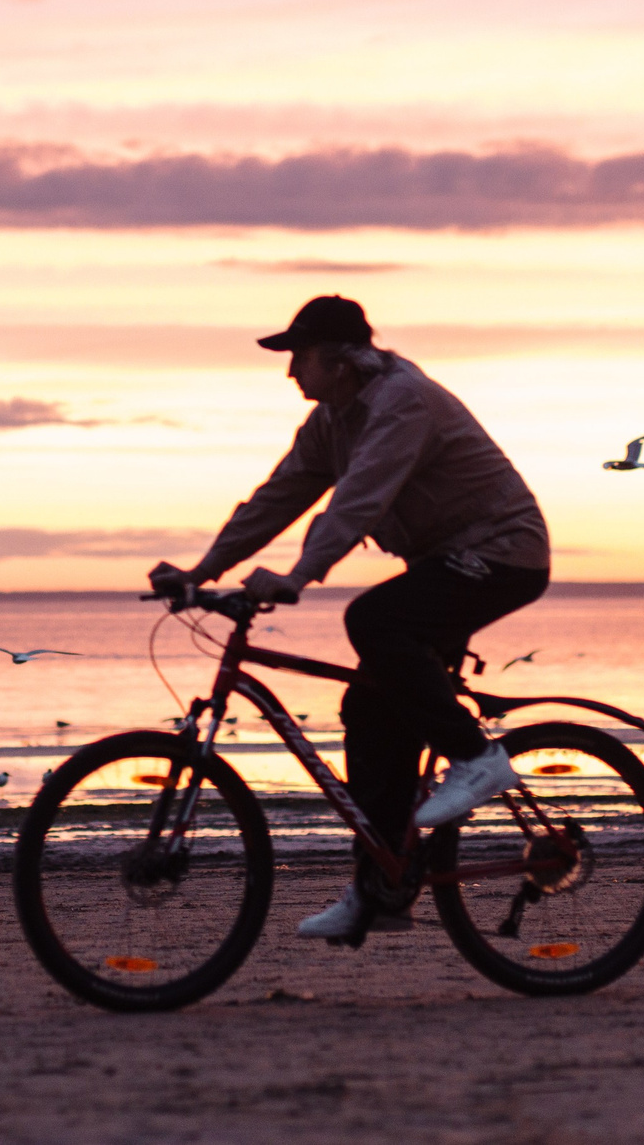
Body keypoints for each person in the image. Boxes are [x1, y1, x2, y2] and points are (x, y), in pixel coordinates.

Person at [152, 295, 549, 944]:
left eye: (300, 357)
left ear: (340, 361)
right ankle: (383, 889)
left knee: (374, 617)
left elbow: (363, 494)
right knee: (370, 710)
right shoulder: (331, 420)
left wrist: (298, 574)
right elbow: (275, 497)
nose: (290, 373)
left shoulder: (402, 401)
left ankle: (478, 758)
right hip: (444, 561)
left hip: (503, 553)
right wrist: (202, 572)